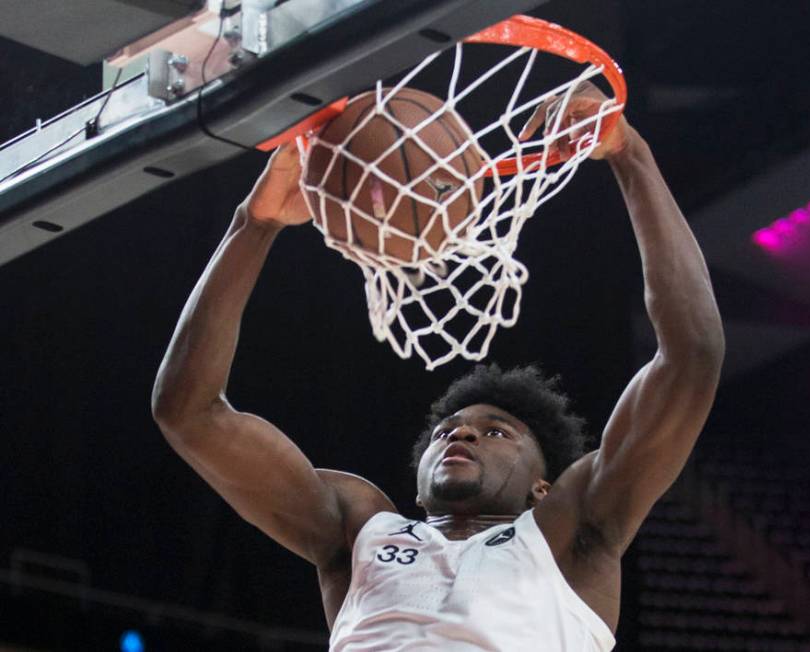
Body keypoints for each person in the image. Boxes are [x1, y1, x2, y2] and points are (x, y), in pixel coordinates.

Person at [151, 82, 725, 651]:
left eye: (496, 431)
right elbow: (189, 412)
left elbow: (691, 354)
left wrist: (631, 156)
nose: (463, 433)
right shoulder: (359, 527)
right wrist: (253, 226)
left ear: (541, 488)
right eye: (447, 431)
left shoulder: (569, 531)